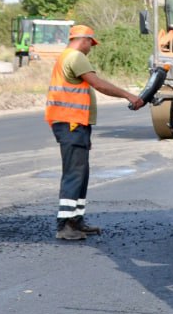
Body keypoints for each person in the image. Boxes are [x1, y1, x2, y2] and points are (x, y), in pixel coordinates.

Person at [45, 24, 147, 241]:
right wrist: (129, 95)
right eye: (91, 43)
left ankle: (76, 221)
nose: (91, 47)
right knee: (74, 174)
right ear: (85, 40)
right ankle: (64, 226)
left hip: (74, 124)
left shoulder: (65, 57)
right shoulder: (76, 57)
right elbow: (99, 84)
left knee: (81, 173)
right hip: (71, 124)